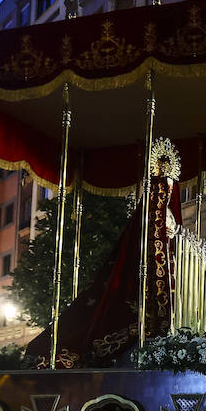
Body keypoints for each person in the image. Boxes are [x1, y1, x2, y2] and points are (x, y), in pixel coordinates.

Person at [25, 142, 184, 368]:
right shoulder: (150, 213)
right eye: (163, 186)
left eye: (170, 188)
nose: (166, 192)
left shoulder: (168, 214)